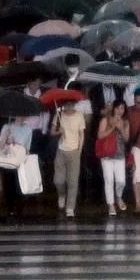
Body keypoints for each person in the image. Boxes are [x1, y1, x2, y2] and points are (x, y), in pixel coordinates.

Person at [51, 91, 94, 221]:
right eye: (66, 105)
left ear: (74, 105)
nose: (69, 107)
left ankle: (70, 207)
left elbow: (82, 134)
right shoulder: (58, 115)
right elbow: (52, 132)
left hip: (74, 150)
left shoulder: (79, 116)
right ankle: (62, 195)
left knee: (73, 181)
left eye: (71, 105)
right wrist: (59, 131)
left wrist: (79, 150)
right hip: (61, 150)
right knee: (58, 180)